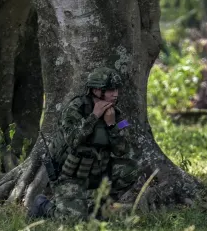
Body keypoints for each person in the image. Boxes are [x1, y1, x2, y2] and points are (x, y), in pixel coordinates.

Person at [28, 66, 141, 222]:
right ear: (96, 90)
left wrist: (111, 125)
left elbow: (123, 150)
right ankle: (43, 205)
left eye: (116, 89)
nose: (115, 94)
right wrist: (94, 117)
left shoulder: (118, 115)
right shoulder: (75, 109)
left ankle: (101, 210)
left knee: (131, 170)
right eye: (110, 90)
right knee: (73, 220)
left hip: (98, 172)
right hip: (71, 176)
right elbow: (73, 141)